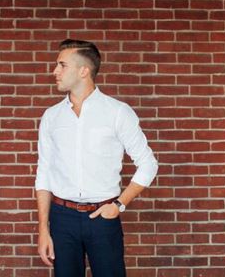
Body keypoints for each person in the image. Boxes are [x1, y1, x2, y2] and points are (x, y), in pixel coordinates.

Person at [35, 39, 159, 277]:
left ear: (84, 70)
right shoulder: (51, 116)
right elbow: (44, 171)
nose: (55, 71)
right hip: (62, 219)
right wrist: (43, 229)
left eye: (62, 65)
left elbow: (148, 163)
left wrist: (119, 204)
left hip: (103, 216)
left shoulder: (117, 112)